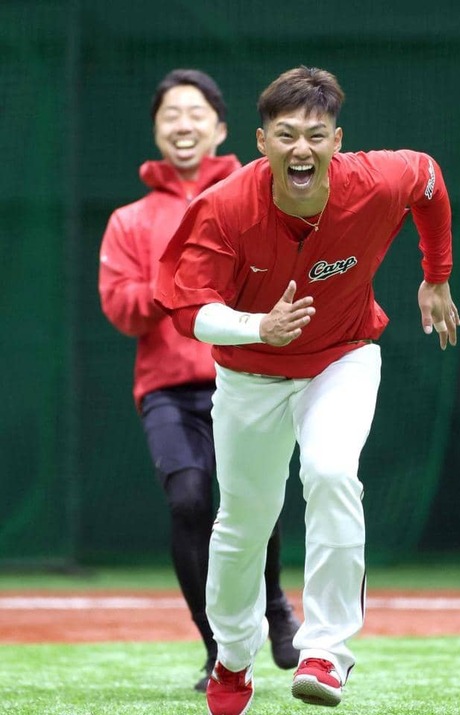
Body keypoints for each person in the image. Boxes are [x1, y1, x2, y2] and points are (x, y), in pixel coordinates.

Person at [155, 65, 460, 714]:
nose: (302, 148)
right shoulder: (226, 207)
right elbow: (188, 309)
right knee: (244, 521)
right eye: (287, 134)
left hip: (342, 357)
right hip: (249, 373)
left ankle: (325, 650)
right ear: (262, 142)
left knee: (331, 472)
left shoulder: (376, 181)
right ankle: (232, 658)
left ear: (337, 141)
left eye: (316, 135)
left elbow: (429, 178)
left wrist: (436, 273)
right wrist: (258, 326)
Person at [98, 68, 300, 693]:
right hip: (168, 391)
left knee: (253, 498)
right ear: (156, 131)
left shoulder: (255, 197)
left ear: (220, 128)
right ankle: (219, 648)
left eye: (195, 114)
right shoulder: (129, 221)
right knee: (189, 501)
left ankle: (275, 607)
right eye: (170, 115)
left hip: (244, 375)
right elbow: (121, 306)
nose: (182, 125)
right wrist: (174, 288)